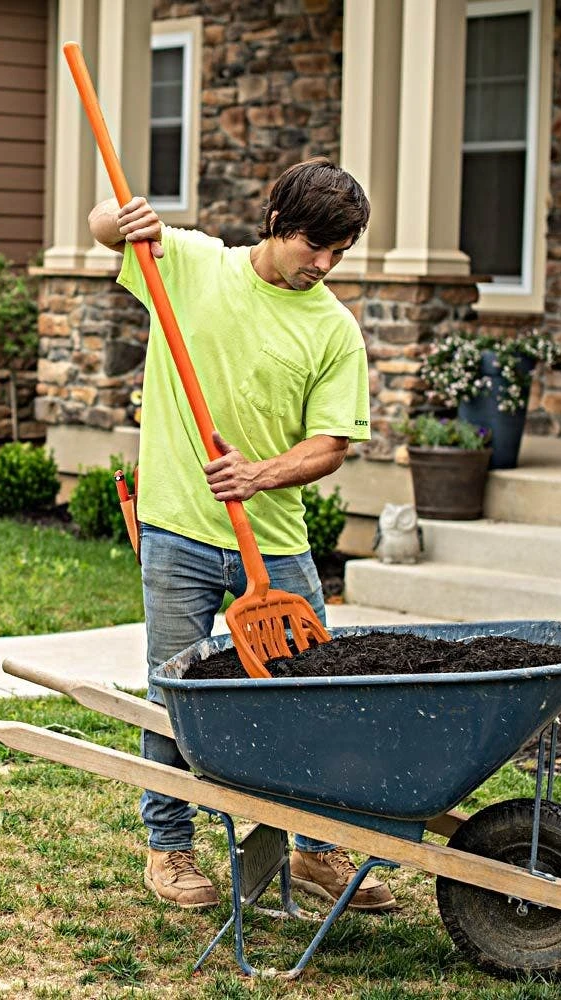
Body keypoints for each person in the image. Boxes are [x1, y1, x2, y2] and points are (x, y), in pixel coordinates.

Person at [88, 158, 396, 913]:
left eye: (339, 252)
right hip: (178, 530)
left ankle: (317, 849)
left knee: (315, 693)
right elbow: (101, 228)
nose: (323, 266)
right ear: (276, 222)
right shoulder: (193, 266)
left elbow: (331, 444)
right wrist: (121, 220)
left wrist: (258, 475)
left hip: (276, 543)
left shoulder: (334, 329)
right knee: (173, 692)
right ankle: (169, 848)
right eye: (313, 246)